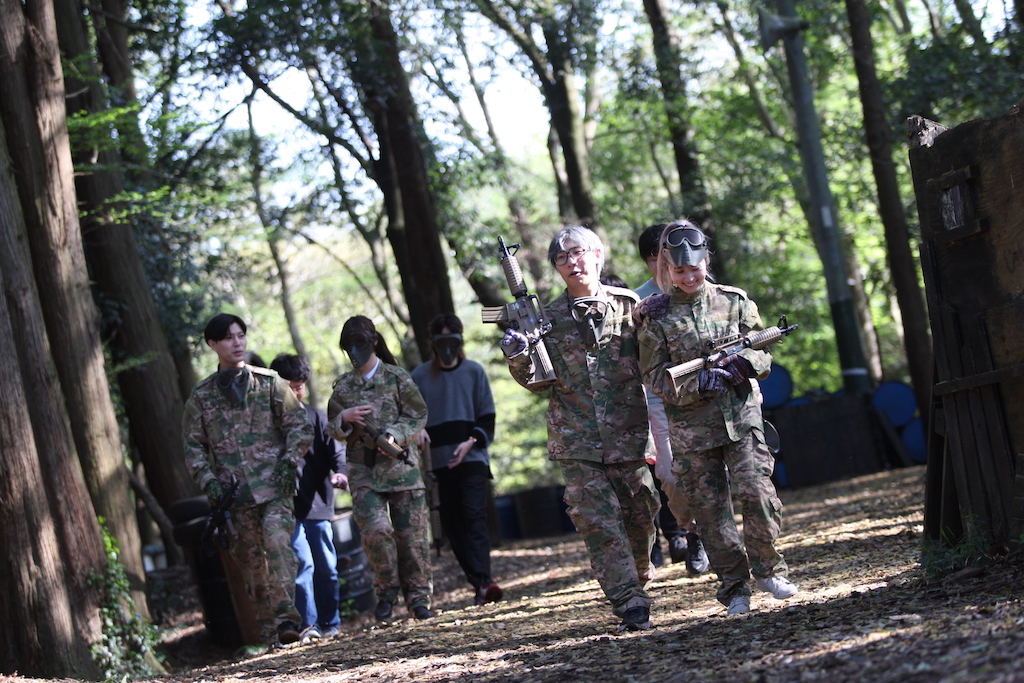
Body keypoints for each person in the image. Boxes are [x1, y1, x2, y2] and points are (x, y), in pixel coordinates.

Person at [500, 225, 660, 633]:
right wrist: (517, 354)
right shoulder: (547, 320)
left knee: (641, 513)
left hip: (628, 434)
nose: (571, 262)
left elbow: (655, 362)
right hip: (575, 438)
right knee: (597, 522)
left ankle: (638, 574)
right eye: (561, 258)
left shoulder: (630, 307)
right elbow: (538, 382)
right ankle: (628, 600)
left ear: (597, 255)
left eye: (578, 253)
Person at [637, 220, 798, 616]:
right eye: (679, 271)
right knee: (710, 514)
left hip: (741, 419)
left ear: (706, 262)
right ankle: (735, 587)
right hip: (692, 432)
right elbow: (653, 377)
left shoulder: (735, 301)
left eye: (695, 268)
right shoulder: (656, 316)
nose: (689, 277)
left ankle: (768, 569)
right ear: (667, 269)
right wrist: (699, 383)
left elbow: (762, 348)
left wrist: (746, 365)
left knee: (759, 495)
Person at [182, 313, 313, 646]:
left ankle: (286, 620)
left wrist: (289, 463)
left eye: (241, 335)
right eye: (228, 338)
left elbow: (300, 426)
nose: (237, 343)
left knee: (279, 545)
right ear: (213, 344)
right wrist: (209, 482)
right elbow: (193, 447)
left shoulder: (269, 383)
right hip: (235, 497)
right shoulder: (201, 397)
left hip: (275, 488)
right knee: (253, 566)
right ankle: (269, 632)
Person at [326, 316, 434, 621]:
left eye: (359, 343)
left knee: (411, 538)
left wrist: (394, 435)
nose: (354, 350)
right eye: (347, 345)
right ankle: (386, 593)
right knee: (375, 532)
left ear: (374, 341)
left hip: (402, 471)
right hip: (364, 472)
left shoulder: (397, 377)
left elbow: (418, 415)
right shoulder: (343, 386)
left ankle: (418, 599)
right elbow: (331, 428)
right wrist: (344, 418)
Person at [412, 313, 503, 607]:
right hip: (437, 464)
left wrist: (470, 442)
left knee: (474, 517)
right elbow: (410, 416)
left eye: (453, 341)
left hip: (472, 459)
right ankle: (478, 582)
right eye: (442, 342)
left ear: (460, 341)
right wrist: (417, 430)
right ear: (432, 343)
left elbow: (487, 418)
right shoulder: (419, 377)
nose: (448, 348)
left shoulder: (474, 372)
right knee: (453, 526)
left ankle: (485, 582)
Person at [635, 223, 710, 575]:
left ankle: (713, 537)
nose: (662, 265)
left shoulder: (701, 285)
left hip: (708, 395)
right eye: (654, 259)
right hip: (660, 401)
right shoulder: (638, 301)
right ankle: (692, 531)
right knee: (668, 474)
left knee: (714, 472)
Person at [270, 354, 349, 642]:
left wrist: (341, 474)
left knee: (326, 567)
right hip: (285, 508)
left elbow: (337, 453)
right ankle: (308, 625)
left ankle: (331, 622)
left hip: (318, 505)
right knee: (302, 565)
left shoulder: (317, 418)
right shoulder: (268, 424)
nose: (295, 394)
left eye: (299, 387)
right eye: (288, 388)